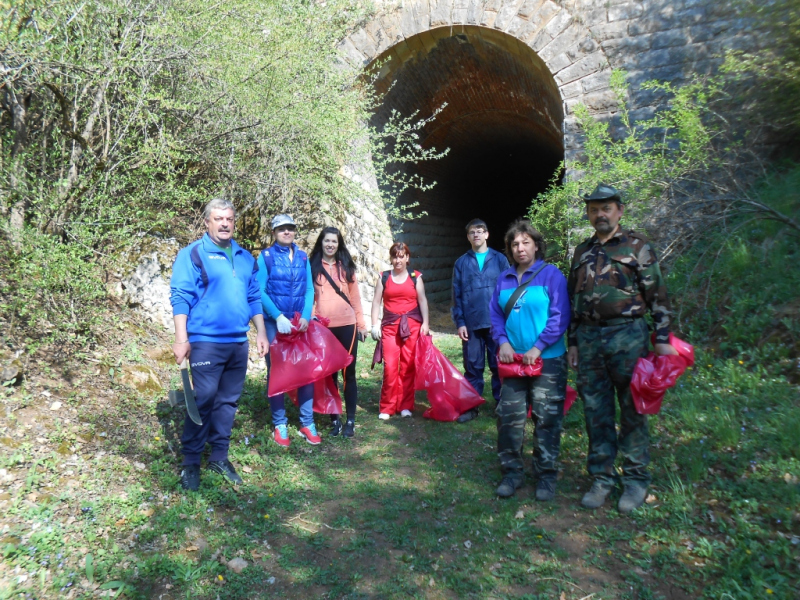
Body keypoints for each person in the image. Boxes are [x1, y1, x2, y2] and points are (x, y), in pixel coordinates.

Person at [567, 184, 677, 514]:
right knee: (595, 412)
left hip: (628, 338)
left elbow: (658, 296)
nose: (599, 214)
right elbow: (575, 301)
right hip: (588, 341)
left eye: (606, 208)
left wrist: (662, 340)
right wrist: (572, 342)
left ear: (619, 210)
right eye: (593, 209)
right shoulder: (581, 251)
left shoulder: (637, 246)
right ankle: (602, 478)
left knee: (632, 409)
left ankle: (635, 480)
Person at [170, 198, 269, 491]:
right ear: (207, 222)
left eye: (229, 219)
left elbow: (253, 297)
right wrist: (181, 339)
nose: (225, 223)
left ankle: (219, 456)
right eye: (218, 219)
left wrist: (261, 333)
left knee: (227, 402)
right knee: (203, 400)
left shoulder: (245, 257)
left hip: (238, 343)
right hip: (205, 342)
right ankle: (190, 463)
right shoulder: (193, 254)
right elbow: (180, 296)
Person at [489, 219, 570, 500]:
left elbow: (560, 316)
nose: (520, 248)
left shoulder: (552, 276)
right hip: (513, 362)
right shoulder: (504, 278)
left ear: (536, 245)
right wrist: (502, 342)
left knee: (546, 418)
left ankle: (546, 476)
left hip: (547, 361)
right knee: (509, 417)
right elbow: (496, 315)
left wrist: (538, 346)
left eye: (525, 242)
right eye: (515, 244)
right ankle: (512, 473)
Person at [257, 214, 321, 447]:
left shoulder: (303, 256)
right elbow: (260, 291)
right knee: (277, 373)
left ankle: (307, 422)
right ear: (274, 232)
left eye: (290, 228)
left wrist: (305, 316)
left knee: (306, 372)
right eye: (281, 229)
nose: (286, 232)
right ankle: (280, 424)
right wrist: (277, 316)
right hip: (276, 324)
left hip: (298, 323)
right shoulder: (266, 257)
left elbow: (309, 290)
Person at [309, 227, 368, 438]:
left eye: (334, 241)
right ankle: (335, 419)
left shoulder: (347, 267)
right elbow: (310, 297)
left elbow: (355, 298)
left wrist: (361, 325)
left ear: (339, 243)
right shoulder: (313, 266)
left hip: (347, 326)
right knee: (329, 374)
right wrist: (312, 319)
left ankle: (350, 420)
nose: (330, 245)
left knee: (348, 373)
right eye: (327, 241)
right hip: (324, 328)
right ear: (321, 243)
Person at [451, 218, 510, 423]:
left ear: (487, 234)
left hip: (496, 323)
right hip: (472, 323)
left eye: (480, 231)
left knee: (499, 365)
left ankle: (502, 404)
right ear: (468, 237)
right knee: (473, 366)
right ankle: (471, 406)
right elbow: (456, 295)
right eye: (472, 232)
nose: (476, 235)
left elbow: (508, 291)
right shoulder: (461, 263)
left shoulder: (500, 260)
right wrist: (460, 322)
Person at [371, 242, 430, 419]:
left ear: (407, 258)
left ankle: (405, 405)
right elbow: (376, 302)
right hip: (390, 327)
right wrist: (374, 324)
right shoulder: (384, 277)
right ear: (391, 258)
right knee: (390, 366)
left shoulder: (416, 277)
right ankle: (387, 407)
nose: (398, 260)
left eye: (401, 256)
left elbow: (423, 301)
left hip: (412, 326)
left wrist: (425, 323)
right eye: (395, 256)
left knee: (408, 366)